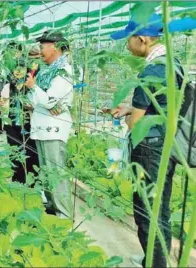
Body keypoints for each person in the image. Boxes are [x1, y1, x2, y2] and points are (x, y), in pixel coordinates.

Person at [109, 14, 178, 268]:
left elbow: (136, 127)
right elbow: (160, 107)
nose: (127, 45)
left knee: (147, 209)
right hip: (167, 146)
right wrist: (131, 108)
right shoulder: (172, 64)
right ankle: (156, 259)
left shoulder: (150, 72)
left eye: (128, 39)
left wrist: (128, 119)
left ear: (142, 39)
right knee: (161, 207)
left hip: (149, 149)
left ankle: (156, 264)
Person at [25, 31, 74, 219]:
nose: (40, 50)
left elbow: (48, 101)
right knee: (46, 172)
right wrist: (39, 98)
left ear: (55, 46)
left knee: (56, 173)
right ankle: (52, 209)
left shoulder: (63, 72)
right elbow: (36, 101)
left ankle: (64, 216)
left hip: (53, 129)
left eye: (43, 46)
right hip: (42, 127)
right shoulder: (48, 71)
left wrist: (34, 89)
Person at [3, 44, 41, 184]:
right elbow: (1, 101)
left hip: (29, 123)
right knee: (14, 152)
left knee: (31, 153)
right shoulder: (8, 86)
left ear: (27, 70)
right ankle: (17, 180)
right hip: (12, 124)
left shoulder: (31, 87)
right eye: (15, 69)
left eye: (22, 69)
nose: (18, 71)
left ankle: (32, 182)